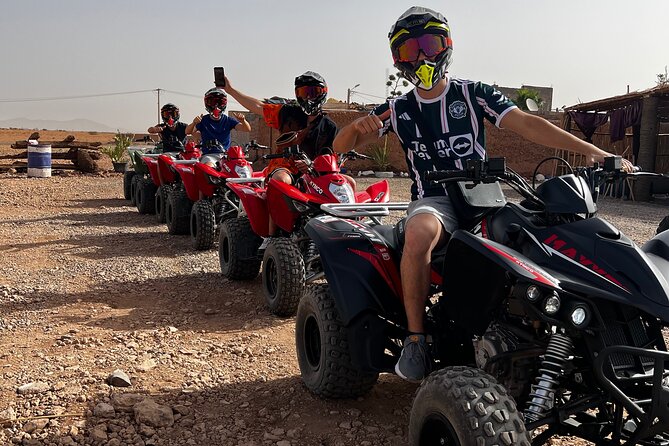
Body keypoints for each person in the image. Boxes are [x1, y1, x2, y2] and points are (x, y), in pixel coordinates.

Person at [332, 6, 634, 383]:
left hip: (483, 198)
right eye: (411, 51)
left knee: (540, 235)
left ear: (446, 46)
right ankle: (415, 339)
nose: (423, 57)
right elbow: (340, 142)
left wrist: (594, 151)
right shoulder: (396, 109)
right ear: (399, 60)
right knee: (419, 232)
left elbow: (528, 123)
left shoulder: (473, 94)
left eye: (429, 44)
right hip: (434, 202)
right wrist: (356, 128)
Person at [224, 71, 349, 246]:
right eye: (302, 93)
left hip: (315, 172)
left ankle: (348, 230)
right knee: (280, 180)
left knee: (348, 182)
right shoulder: (288, 112)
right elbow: (259, 106)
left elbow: (330, 156)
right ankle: (272, 237)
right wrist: (230, 90)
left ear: (323, 93)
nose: (307, 97)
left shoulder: (329, 126)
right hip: (287, 166)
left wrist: (313, 166)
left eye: (312, 92)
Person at [185, 87, 251, 167]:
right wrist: (194, 123)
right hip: (209, 156)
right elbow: (187, 131)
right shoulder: (203, 120)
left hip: (226, 156)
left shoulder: (228, 120)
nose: (216, 106)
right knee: (209, 167)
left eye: (220, 102)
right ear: (207, 103)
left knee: (240, 168)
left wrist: (243, 120)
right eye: (212, 102)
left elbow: (247, 129)